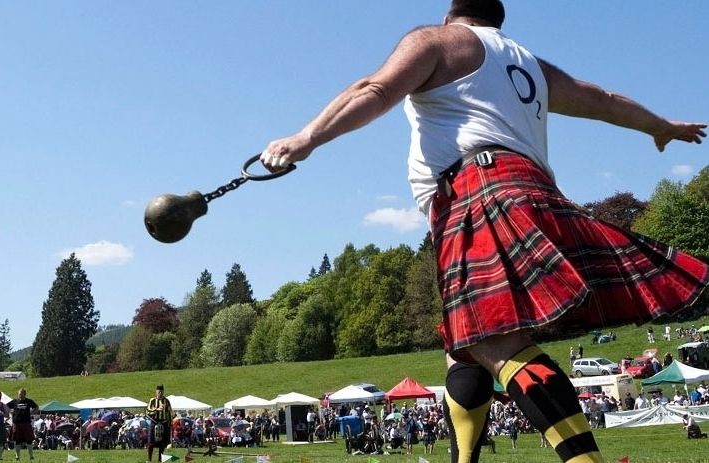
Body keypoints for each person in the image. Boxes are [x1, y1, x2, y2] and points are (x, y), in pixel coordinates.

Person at [258, 1, 708, 462]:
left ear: (450, 15)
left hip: (478, 191)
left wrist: (306, 138)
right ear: (498, 18)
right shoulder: (529, 63)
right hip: (529, 190)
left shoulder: (436, 40)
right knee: (463, 348)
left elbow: (373, 88)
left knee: (494, 341)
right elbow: (602, 100)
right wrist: (662, 126)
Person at [8, 388, 39, 460]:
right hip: (16, 423)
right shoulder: (14, 401)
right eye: (19, 394)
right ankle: (17, 456)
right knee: (17, 440)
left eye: (21, 394)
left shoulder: (29, 401)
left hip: (26, 423)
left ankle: (31, 456)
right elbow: (6, 406)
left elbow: (36, 407)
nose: (20, 396)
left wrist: (31, 413)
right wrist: (10, 413)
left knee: (29, 440)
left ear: (25, 394)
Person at [145, 384, 174, 462]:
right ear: (156, 392)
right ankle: (149, 459)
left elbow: (169, 412)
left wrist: (170, 422)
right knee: (151, 442)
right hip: (154, 421)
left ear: (163, 392)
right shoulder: (152, 400)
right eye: (159, 391)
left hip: (164, 422)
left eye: (161, 391)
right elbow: (148, 411)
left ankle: (160, 459)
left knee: (163, 443)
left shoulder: (166, 401)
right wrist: (156, 409)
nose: (160, 393)